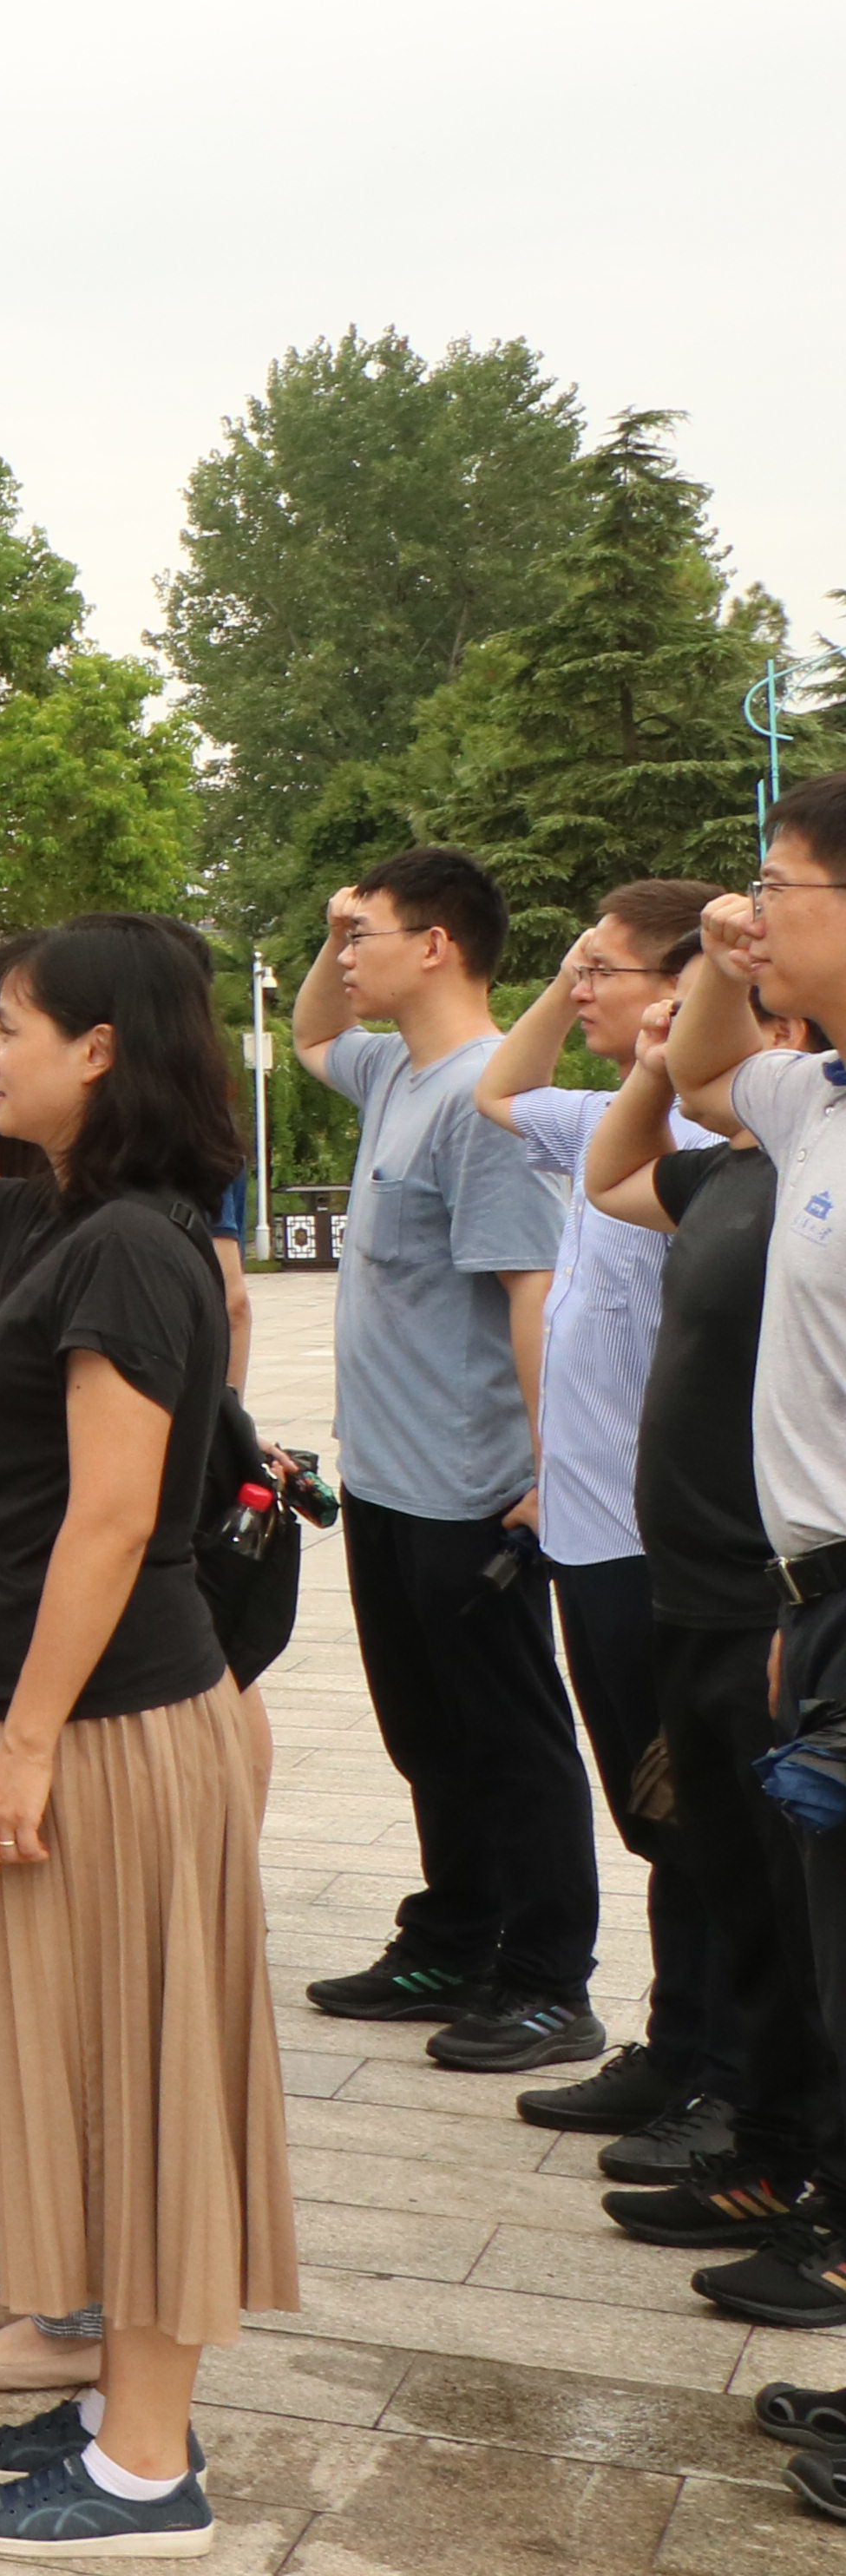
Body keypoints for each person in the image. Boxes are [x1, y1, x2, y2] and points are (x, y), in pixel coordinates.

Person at [0, 916, 287, 2558]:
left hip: (93, 1730)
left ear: (101, 1049)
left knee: (128, 2087)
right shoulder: (56, 1220)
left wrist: (24, 1745)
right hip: (16, 1709)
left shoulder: (139, 1252)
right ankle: (111, 2414)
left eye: (10, 1025)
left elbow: (110, 1522)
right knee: (70, 2075)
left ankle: (149, 2470)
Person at [292, 846, 594, 2073]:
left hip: (473, 1484)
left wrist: (552, 1469)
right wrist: (333, 929)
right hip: (387, 1475)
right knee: (426, 1730)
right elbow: (315, 1036)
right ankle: (454, 1938)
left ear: (437, 945)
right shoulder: (392, 1070)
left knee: (508, 1734)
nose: (345, 954)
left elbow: (533, 1291)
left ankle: (549, 1980)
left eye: (365, 933)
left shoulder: (484, 1101)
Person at [583, 976, 840, 2291]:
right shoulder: (737, 1169)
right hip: (693, 1584)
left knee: (809, 1918)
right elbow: (610, 1173)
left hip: (769, 1594)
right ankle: (771, 2148)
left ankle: (823, 2187)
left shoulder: (807, 1153)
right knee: (740, 1891)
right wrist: (654, 1061)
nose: (672, 1030)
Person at [471, 882, 728, 2149]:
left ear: (681, 989)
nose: (580, 991)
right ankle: (679, 2042)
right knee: (654, 1812)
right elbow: (499, 1091)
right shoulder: (602, 1119)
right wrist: (570, 968)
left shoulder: (710, 1139)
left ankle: (719, 2067)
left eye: (604, 972)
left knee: (695, 1811)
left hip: (660, 1535)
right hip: (582, 1530)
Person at [661, 785, 846, 2358]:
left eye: (781, 887)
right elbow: (698, 1072)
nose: (754, 907)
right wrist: (729, 956)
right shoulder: (815, 1098)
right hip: (814, 1590)